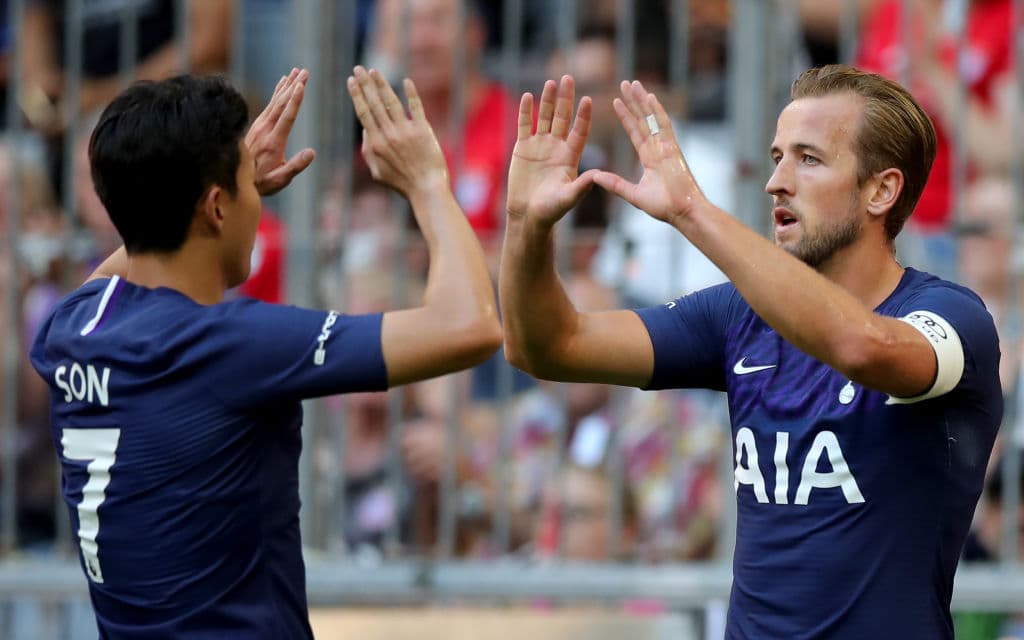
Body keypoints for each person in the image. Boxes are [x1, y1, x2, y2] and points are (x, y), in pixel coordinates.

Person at [500, 65, 1001, 638]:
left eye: (808, 159)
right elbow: (546, 346)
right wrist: (524, 227)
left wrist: (692, 210)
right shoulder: (735, 315)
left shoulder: (951, 318)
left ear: (881, 191)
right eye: (776, 157)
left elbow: (861, 346)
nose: (777, 181)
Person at [29, 66, 501, 638]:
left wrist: (224, 182)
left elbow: (141, 238)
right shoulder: (234, 345)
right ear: (217, 207)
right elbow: (470, 325)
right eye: (250, 188)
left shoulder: (71, 327)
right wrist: (427, 183)